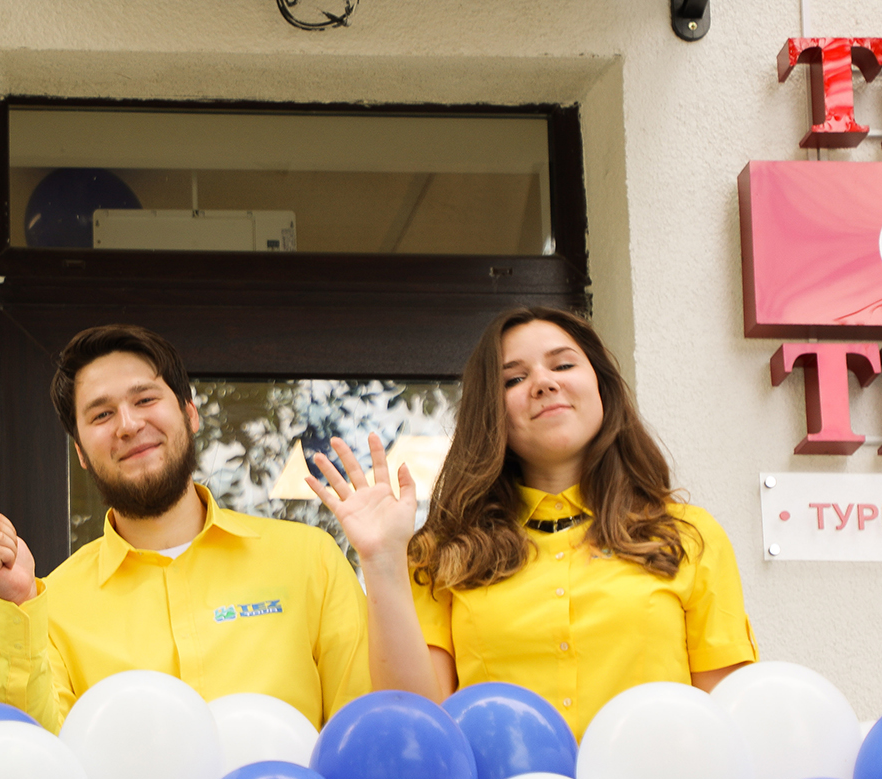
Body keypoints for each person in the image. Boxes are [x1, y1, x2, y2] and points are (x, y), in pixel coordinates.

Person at [309, 305, 755, 738]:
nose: (543, 383)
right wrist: (383, 559)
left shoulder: (687, 535)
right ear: (491, 412)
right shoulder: (443, 553)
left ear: (601, 385)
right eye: (514, 379)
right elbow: (418, 729)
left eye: (563, 365)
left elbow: (728, 723)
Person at [0, 324, 369, 733]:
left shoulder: (310, 560)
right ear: (81, 453)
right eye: (102, 414)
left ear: (190, 413)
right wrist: (17, 603)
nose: (128, 424)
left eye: (145, 399)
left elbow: (365, 733)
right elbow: (33, 749)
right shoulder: (51, 607)